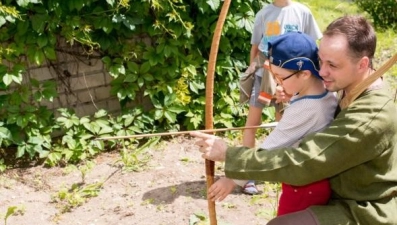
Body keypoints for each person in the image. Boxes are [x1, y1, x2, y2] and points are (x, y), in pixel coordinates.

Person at [192, 15, 397, 224]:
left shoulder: (371, 115)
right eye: (320, 60)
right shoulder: (350, 83)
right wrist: (296, 95)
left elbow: (305, 161)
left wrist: (229, 155)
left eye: (332, 65)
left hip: (363, 207)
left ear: (362, 64)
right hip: (338, 192)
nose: (321, 71)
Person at [212, 31, 338, 215]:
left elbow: (270, 149)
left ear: (303, 74)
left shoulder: (306, 109)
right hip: (314, 182)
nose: (277, 83)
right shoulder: (325, 91)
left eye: (280, 77)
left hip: (303, 188)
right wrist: (292, 95)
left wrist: (233, 179)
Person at [243, 0, 322, 195]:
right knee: (253, 121)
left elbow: (312, 48)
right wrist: (252, 71)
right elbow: (255, 47)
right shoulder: (263, 13)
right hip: (265, 69)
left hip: (292, 75)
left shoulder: (303, 12)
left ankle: (283, 169)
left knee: (285, 121)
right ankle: (246, 173)